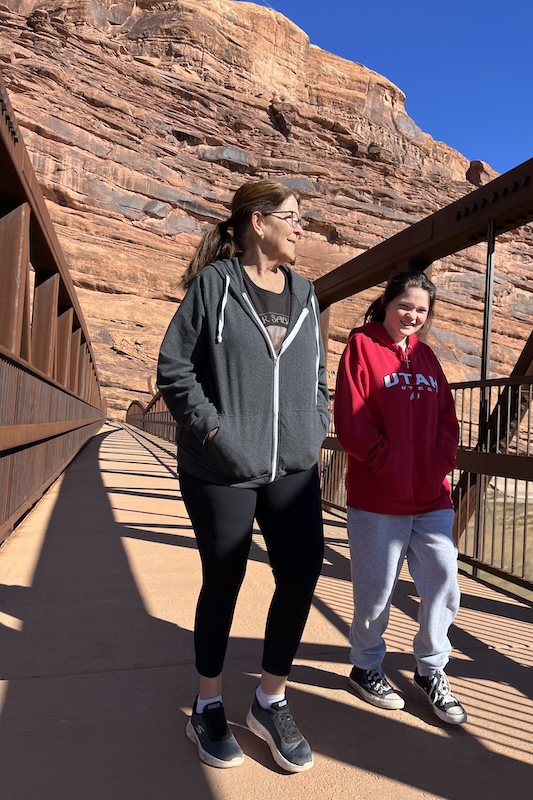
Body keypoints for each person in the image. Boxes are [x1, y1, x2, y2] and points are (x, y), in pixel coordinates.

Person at [157, 179, 330, 772]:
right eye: (293, 216)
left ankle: (269, 699)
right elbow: (174, 367)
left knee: (303, 571)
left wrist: (313, 428)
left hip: (292, 466)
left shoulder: (307, 293)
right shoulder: (214, 286)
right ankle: (207, 705)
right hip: (221, 467)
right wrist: (213, 434)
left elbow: (316, 378)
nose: (302, 228)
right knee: (224, 579)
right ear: (258, 222)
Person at [333, 270, 467, 725]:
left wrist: (439, 461)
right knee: (375, 591)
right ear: (387, 303)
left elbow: (447, 418)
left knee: (443, 582)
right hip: (378, 495)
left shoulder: (427, 357)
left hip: (431, 495)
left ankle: (432, 669)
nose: (413, 315)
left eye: (422, 310)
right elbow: (351, 418)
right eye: (406, 306)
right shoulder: (361, 347)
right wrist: (386, 459)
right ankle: (365, 666)